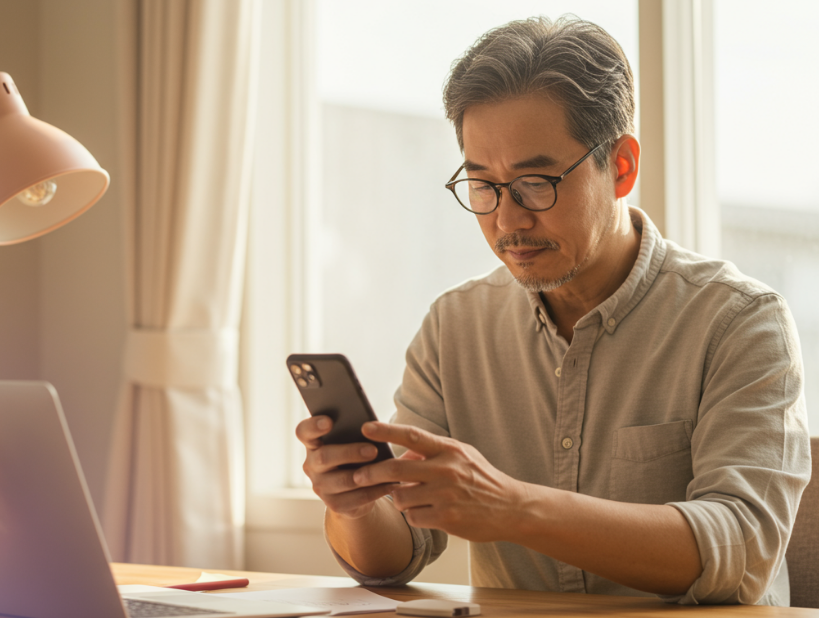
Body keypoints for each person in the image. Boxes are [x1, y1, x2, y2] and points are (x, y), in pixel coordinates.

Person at [295, 16, 810, 605]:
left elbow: (741, 552)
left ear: (621, 167)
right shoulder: (454, 328)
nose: (507, 221)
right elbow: (394, 557)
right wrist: (356, 503)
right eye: (482, 183)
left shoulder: (740, 322)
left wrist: (513, 507)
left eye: (535, 182)